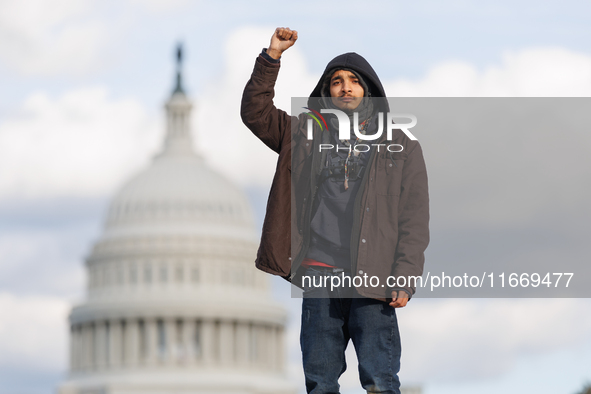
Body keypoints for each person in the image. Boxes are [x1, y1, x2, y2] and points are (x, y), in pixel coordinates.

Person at [241, 27, 429, 394]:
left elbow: (414, 220)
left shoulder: (401, 146)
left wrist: (404, 276)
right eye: (337, 82)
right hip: (320, 277)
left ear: (368, 90)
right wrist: (272, 56)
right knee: (320, 383)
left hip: (372, 280)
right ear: (326, 93)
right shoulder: (303, 135)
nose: (345, 88)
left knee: (380, 381)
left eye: (354, 82)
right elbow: (255, 113)